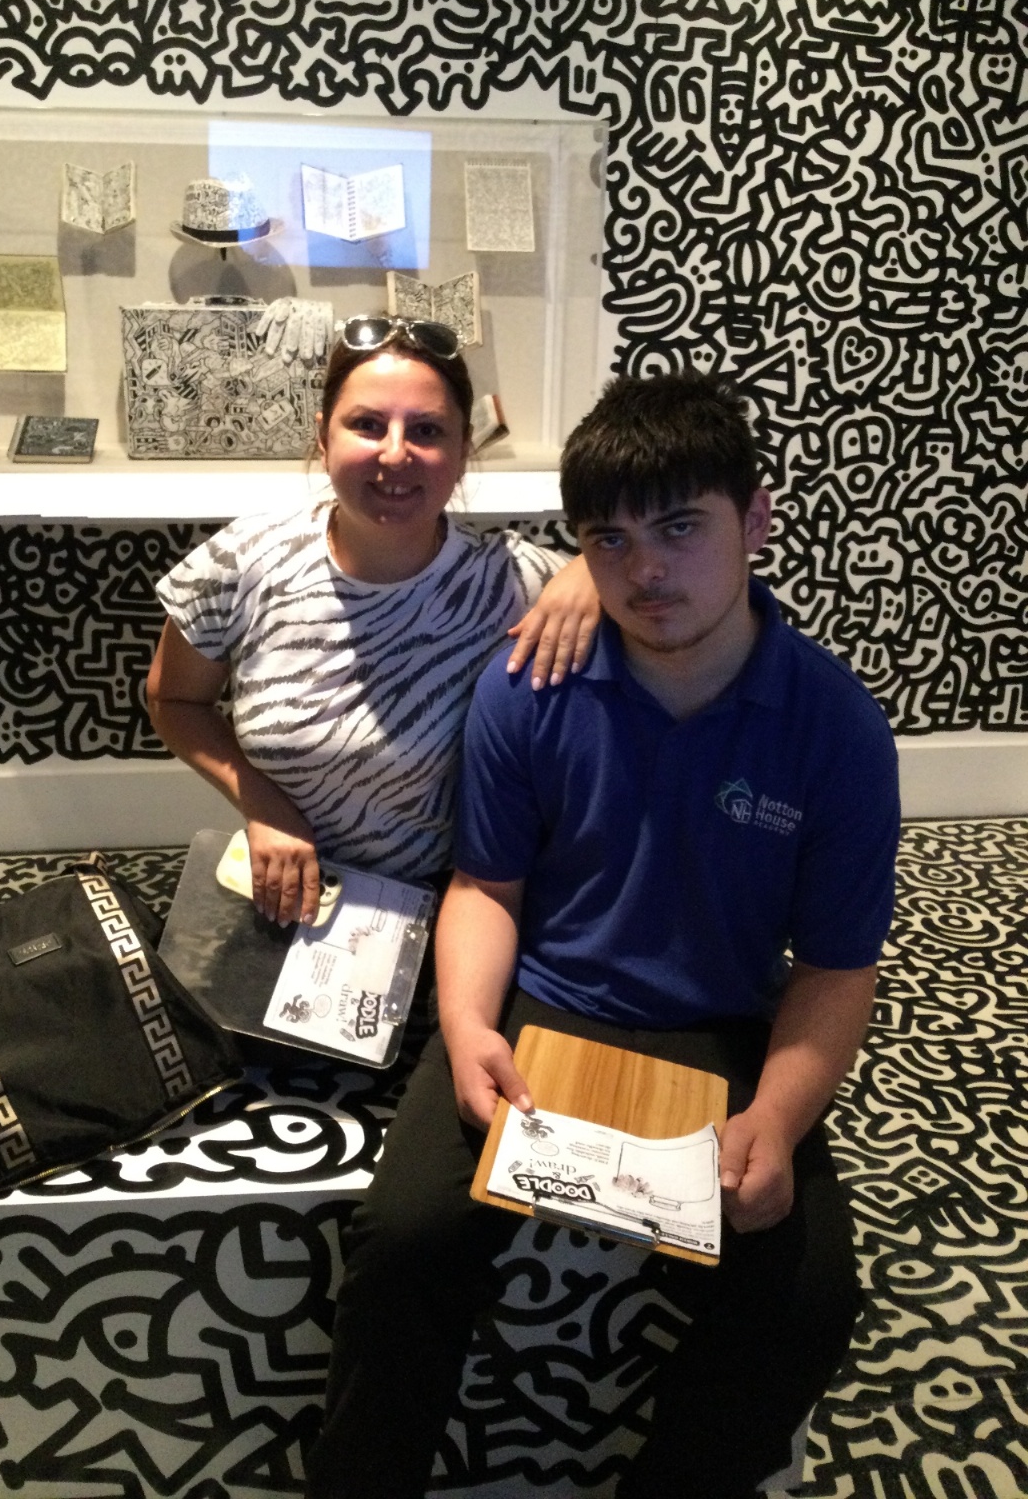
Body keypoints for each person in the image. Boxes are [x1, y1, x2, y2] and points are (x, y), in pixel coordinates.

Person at [306, 371, 901, 1499]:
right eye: (610, 541)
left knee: (808, 1295)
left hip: (724, 1023)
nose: (646, 571)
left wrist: (777, 1118)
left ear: (755, 520)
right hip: (546, 1005)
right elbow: (486, 885)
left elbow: (836, 966)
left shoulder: (837, 728)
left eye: (681, 528)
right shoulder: (529, 688)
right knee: (405, 1240)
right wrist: (467, 1025)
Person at [146, 314, 600, 924]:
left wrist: (590, 572)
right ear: (323, 437)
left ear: (463, 451)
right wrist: (262, 804)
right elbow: (172, 701)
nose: (395, 452)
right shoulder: (243, 561)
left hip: (452, 904)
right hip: (289, 890)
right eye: (367, 425)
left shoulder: (509, 581)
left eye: (427, 430)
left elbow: (653, 578)